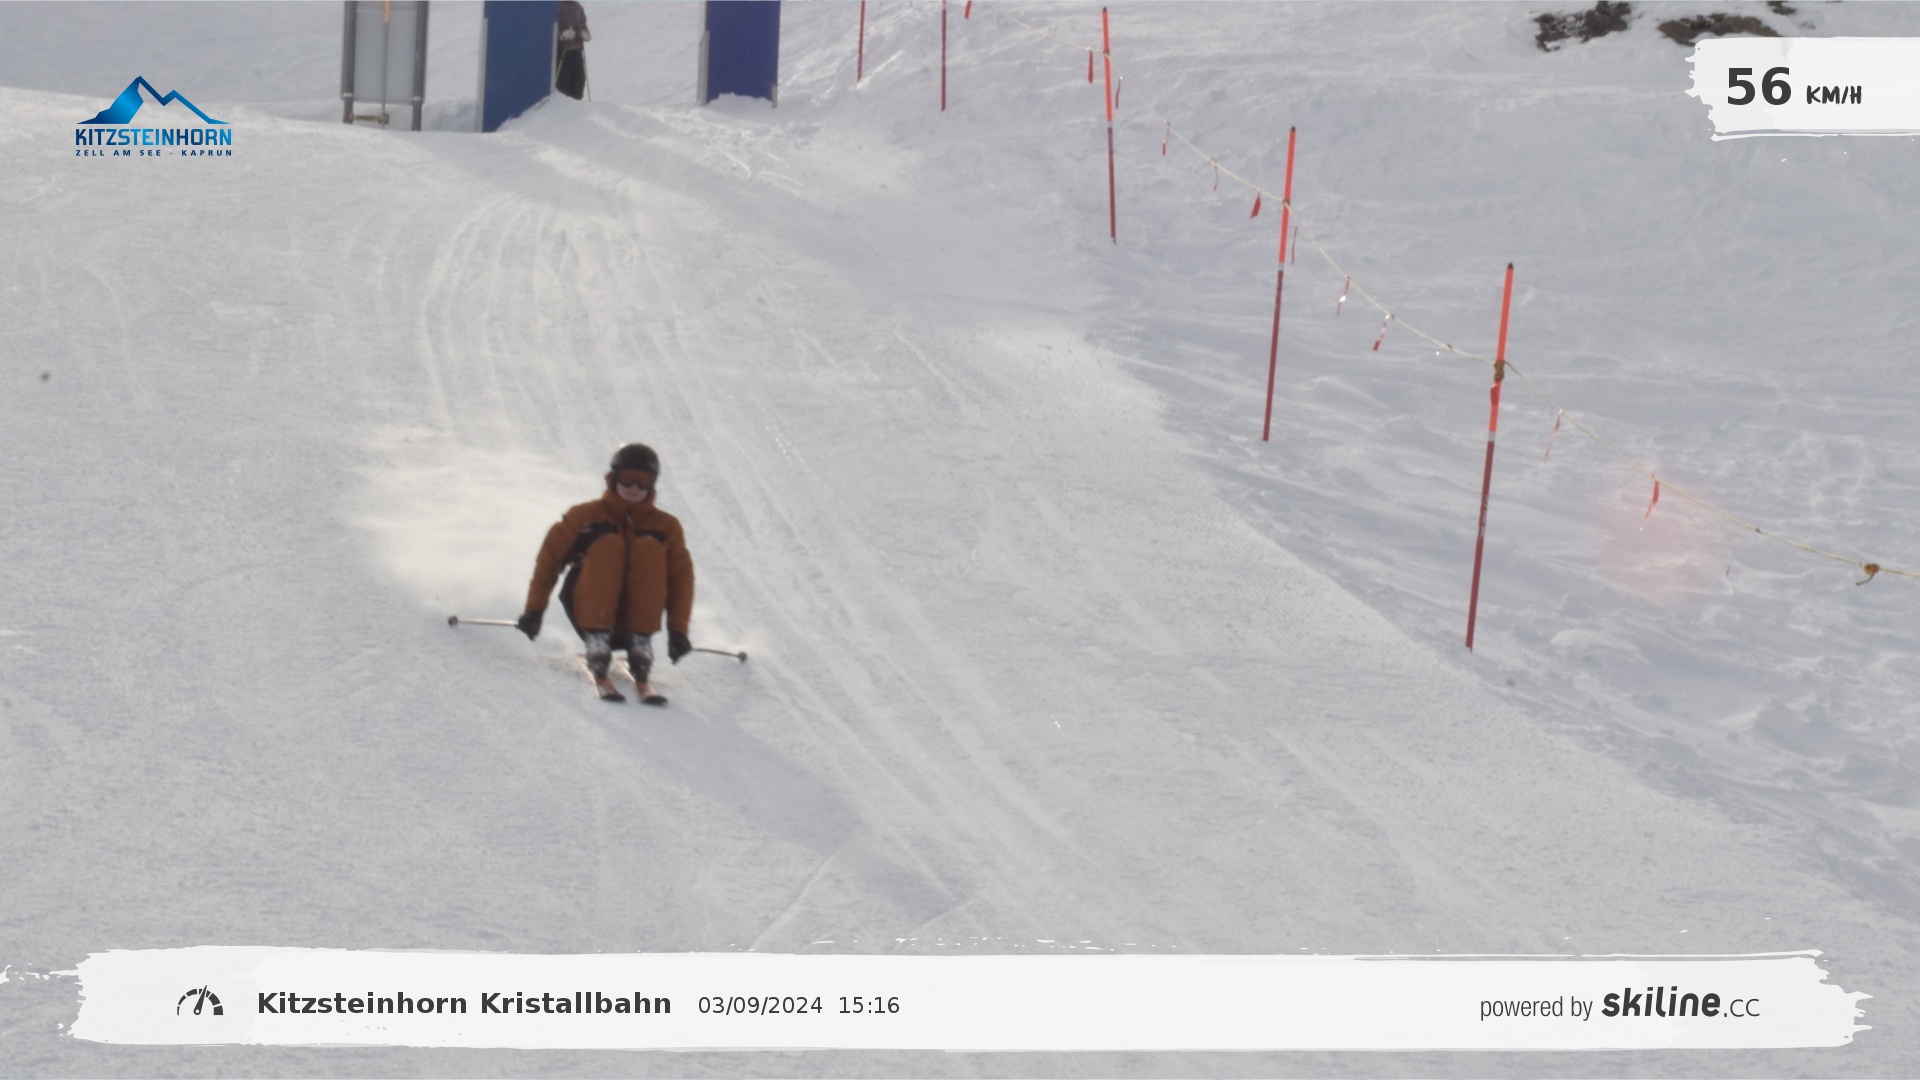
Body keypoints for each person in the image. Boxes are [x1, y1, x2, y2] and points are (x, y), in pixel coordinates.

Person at [518, 444, 694, 702]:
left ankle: (640, 643)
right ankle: (597, 638)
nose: (634, 487)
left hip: (636, 621)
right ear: (613, 477)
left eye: (643, 481)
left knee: (649, 547)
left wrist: (678, 631)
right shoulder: (585, 516)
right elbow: (549, 560)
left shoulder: (667, 526)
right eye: (627, 478)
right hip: (589, 610)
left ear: (653, 484)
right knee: (610, 544)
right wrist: (534, 610)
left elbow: (681, 579)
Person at [555, 0, 590, 101]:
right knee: (563, 80)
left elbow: (582, 24)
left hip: (577, 49)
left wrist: (585, 33)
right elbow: (552, 25)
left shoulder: (578, 7)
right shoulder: (557, 6)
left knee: (579, 79)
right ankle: (563, 104)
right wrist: (561, 34)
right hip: (562, 49)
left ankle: (576, 103)